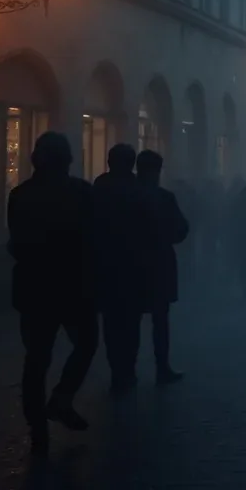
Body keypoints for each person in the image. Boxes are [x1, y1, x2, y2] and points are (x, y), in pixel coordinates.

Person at [6, 132, 98, 456]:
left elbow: (16, 244)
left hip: (34, 288)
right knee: (86, 344)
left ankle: (37, 429)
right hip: (74, 286)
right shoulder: (81, 193)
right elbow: (94, 239)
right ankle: (61, 397)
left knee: (36, 360)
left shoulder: (19, 195)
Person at [93, 143, 155, 393]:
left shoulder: (100, 186)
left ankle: (117, 368)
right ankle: (127, 368)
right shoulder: (139, 189)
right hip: (134, 264)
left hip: (107, 264)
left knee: (111, 322)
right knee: (131, 322)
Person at [136, 149, 189, 384]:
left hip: (129, 265)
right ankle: (161, 366)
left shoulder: (127, 196)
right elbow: (181, 229)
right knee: (160, 320)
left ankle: (124, 371)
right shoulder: (164, 197)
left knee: (129, 320)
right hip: (158, 264)